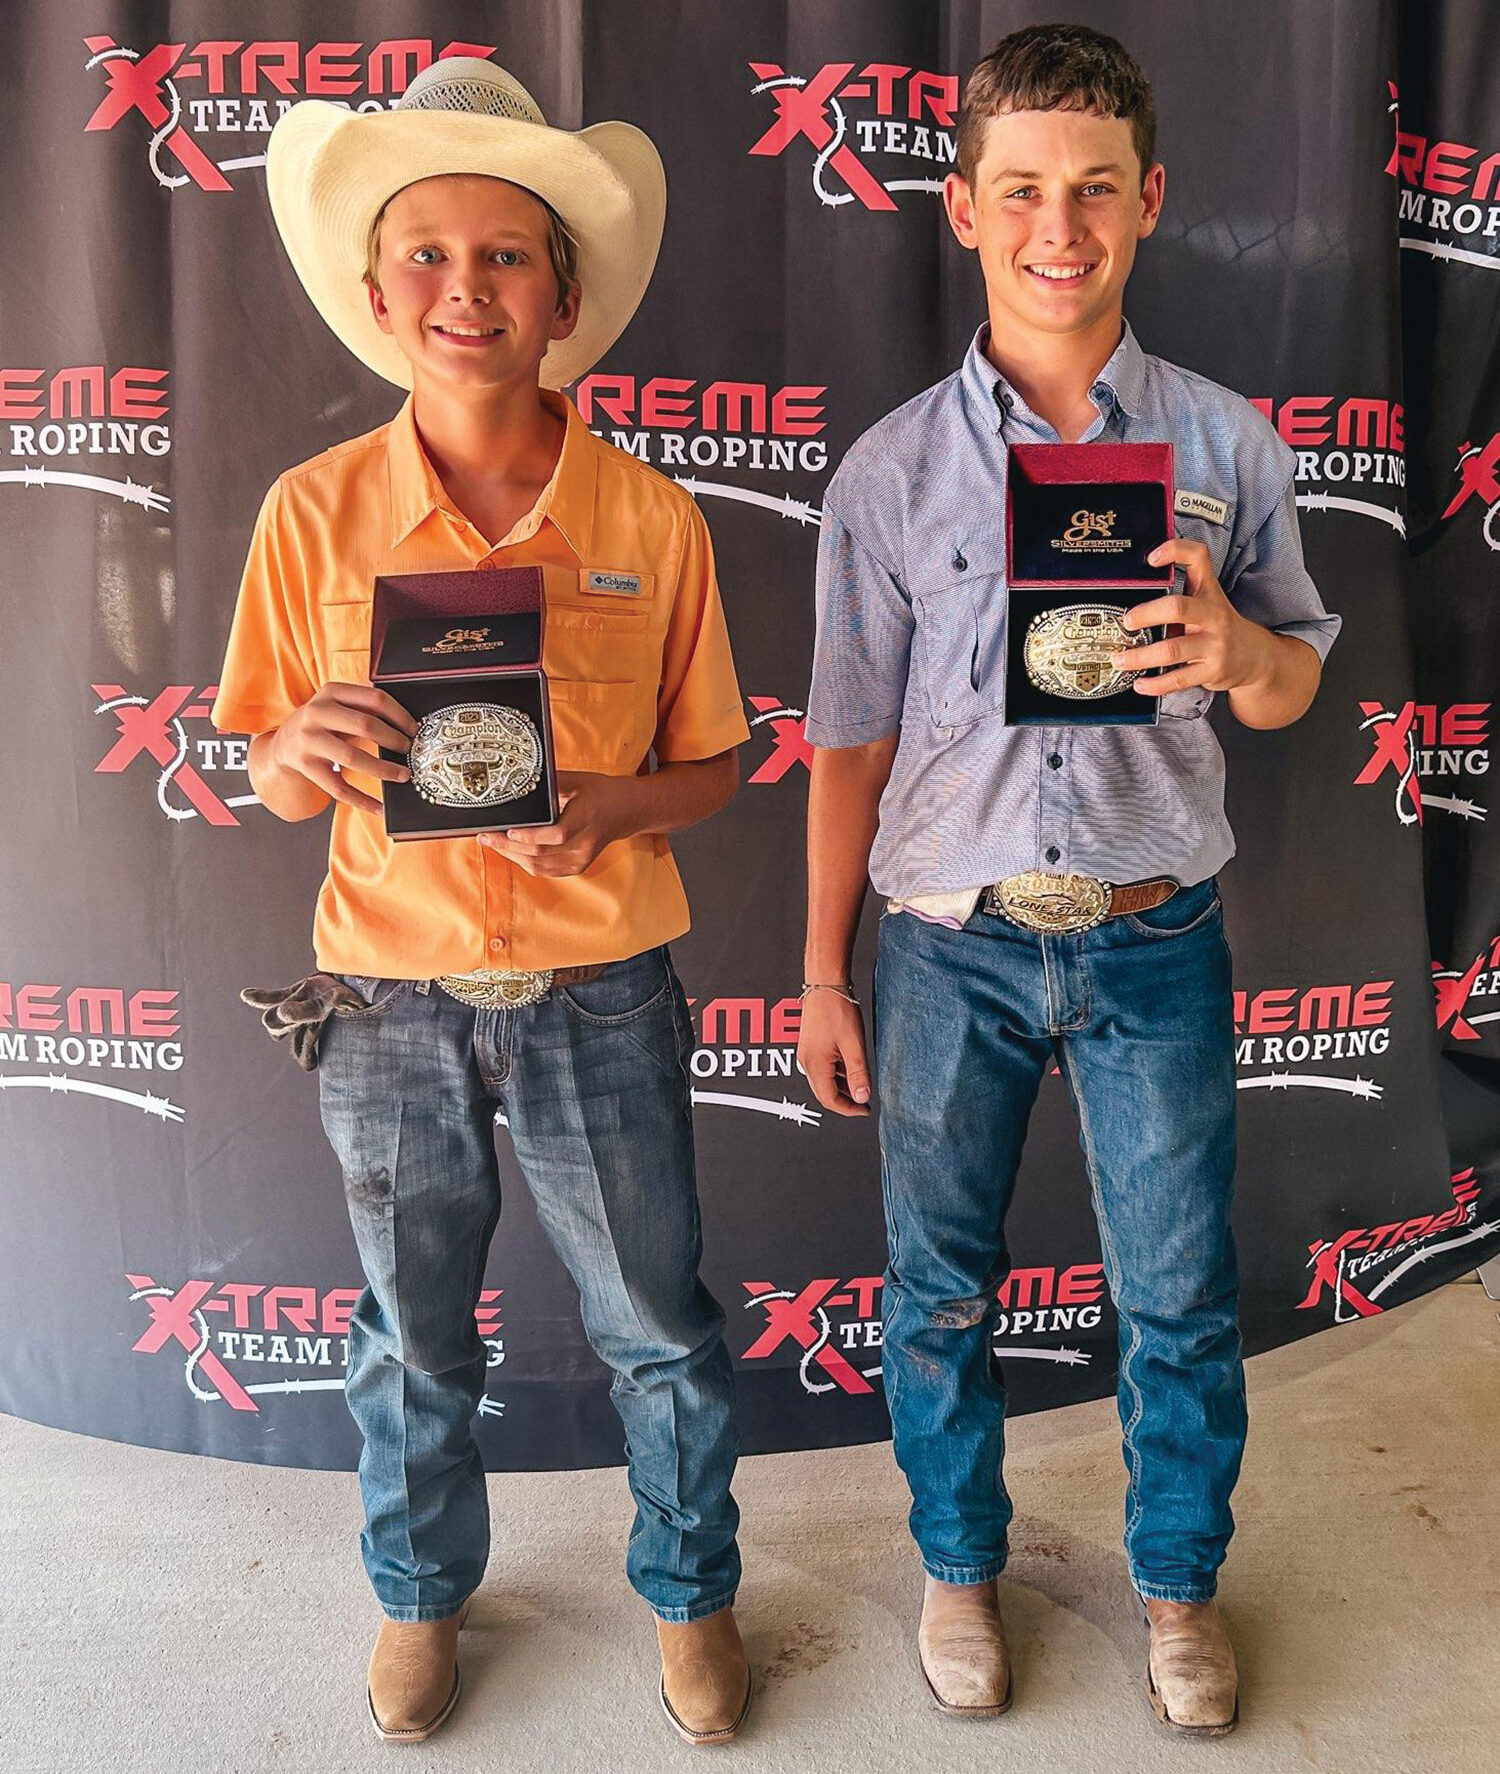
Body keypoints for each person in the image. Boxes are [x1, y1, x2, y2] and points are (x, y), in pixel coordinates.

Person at [797, 23, 1340, 1735]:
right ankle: (959, 1569)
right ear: (961, 210)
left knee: (1178, 1292)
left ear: (1152, 202)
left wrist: (1236, 639)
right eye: (1022, 189)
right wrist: (822, 972)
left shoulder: (1228, 442)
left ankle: (1178, 1585)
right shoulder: (887, 472)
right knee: (939, 1288)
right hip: (949, 943)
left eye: (1097, 190)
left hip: (1151, 929)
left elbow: (1297, 680)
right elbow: (848, 743)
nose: (1061, 225)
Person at [212, 57, 753, 1748]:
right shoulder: (311, 516)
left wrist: (609, 810)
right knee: (408, 1336)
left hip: (603, 983)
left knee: (657, 1326)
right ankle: (419, 1600)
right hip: (383, 995)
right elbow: (270, 776)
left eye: (506, 255)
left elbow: (718, 766)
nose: (467, 287)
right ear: (378, 295)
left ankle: (692, 1595)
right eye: (429, 255)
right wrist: (291, 744)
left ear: (565, 292)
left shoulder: (651, 517)